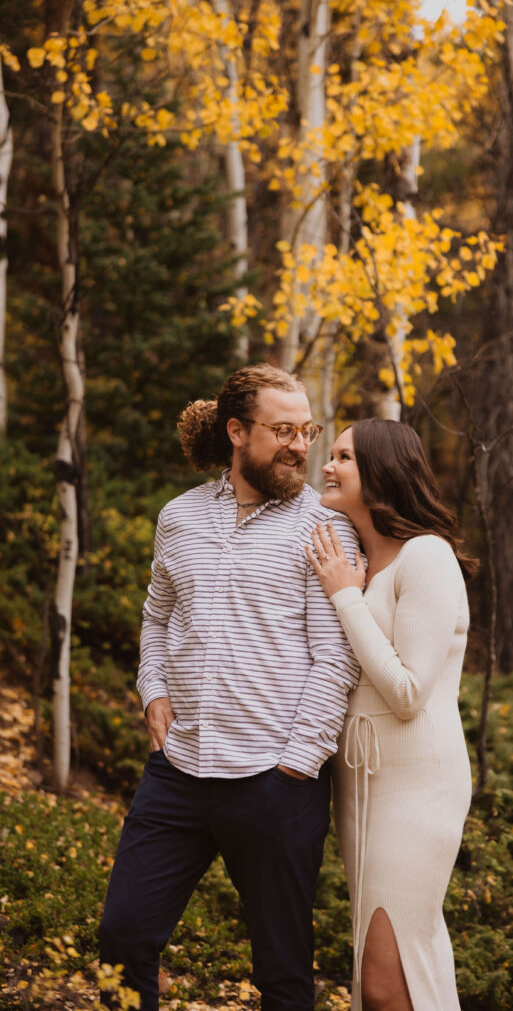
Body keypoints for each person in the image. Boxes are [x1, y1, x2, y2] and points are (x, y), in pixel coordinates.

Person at [99, 364, 360, 1011]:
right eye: (283, 430)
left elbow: (336, 658)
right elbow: (157, 615)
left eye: (308, 430)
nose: (302, 445)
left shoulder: (323, 529)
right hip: (178, 773)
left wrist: (296, 765)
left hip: (275, 784)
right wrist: (152, 687)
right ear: (237, 432)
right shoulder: (179, 517)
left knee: (282, 973)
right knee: (123, 936)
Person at [305, 418, 476, 1011]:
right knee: (396, 971)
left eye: (343, 457)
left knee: (385, 977)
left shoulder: (426, 556)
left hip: (418, 789)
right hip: (360, 787)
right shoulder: (362, 563)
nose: (327, 466)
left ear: (380, 472)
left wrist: (344, 597)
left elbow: (407, 691)